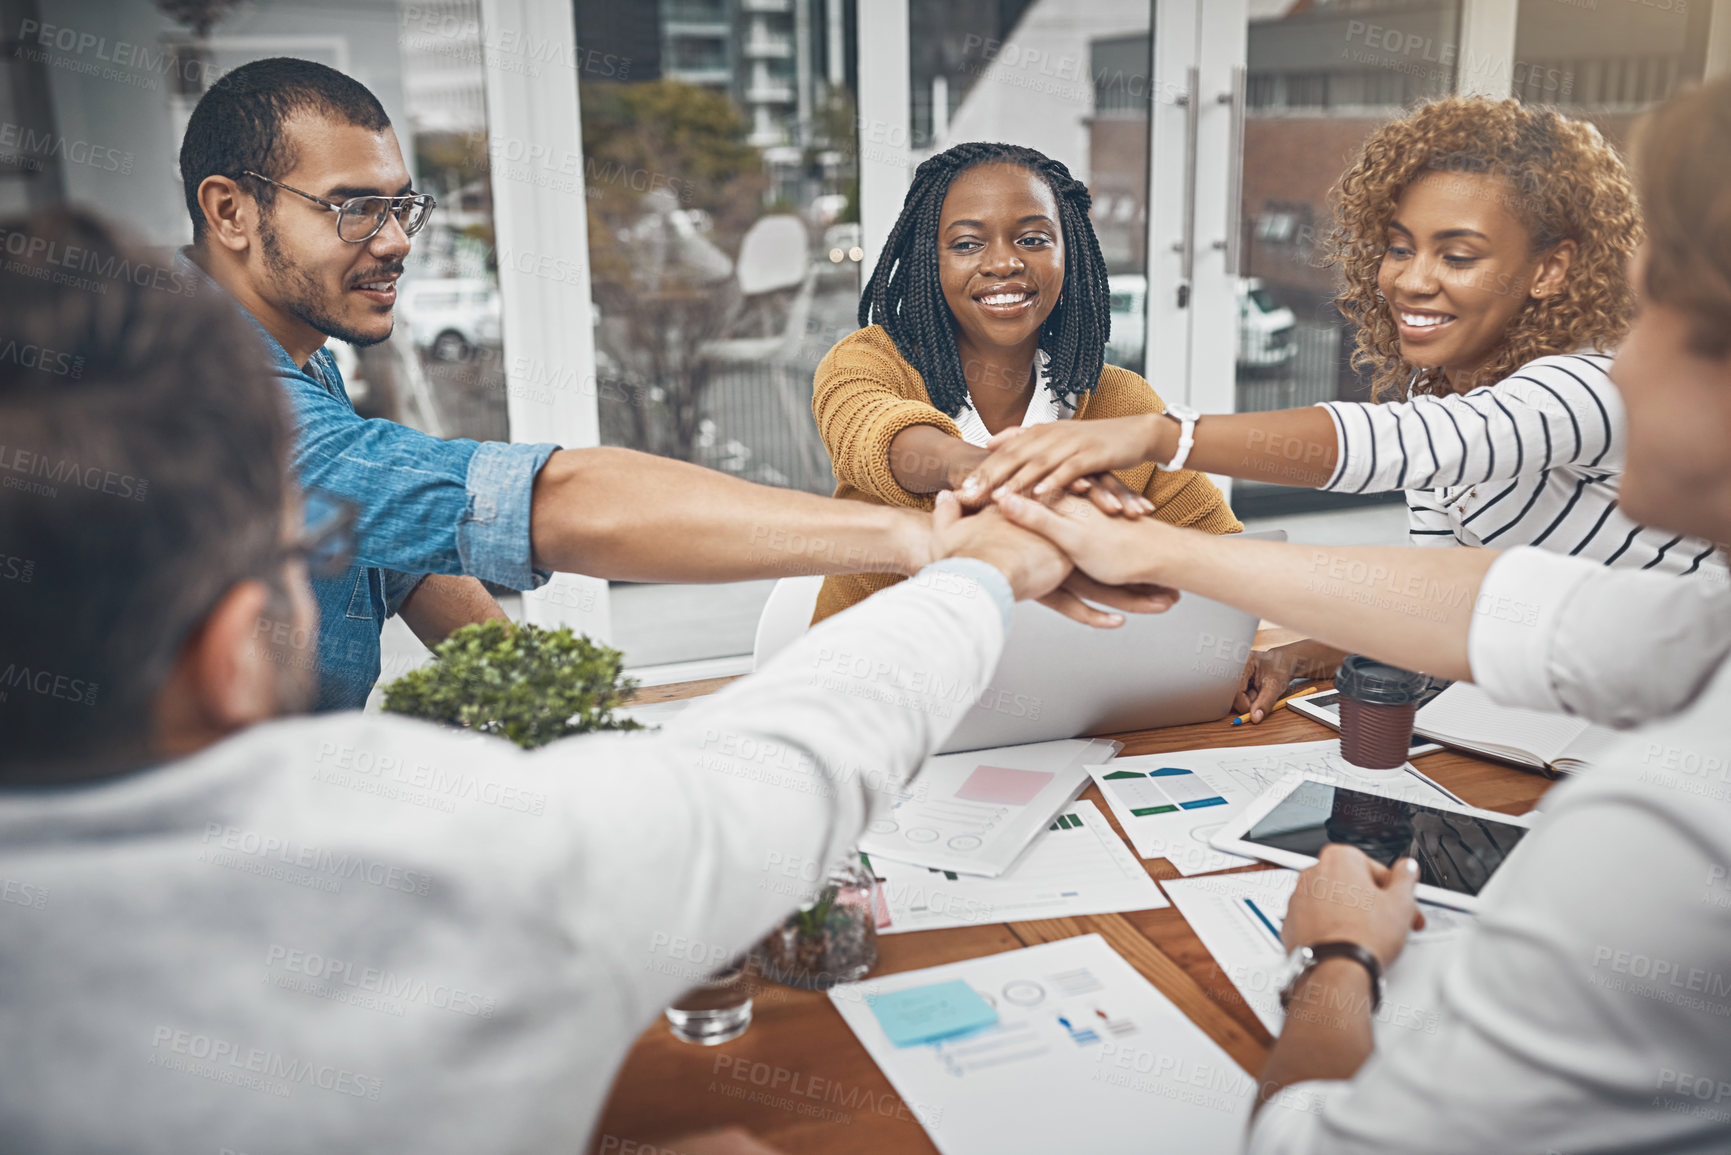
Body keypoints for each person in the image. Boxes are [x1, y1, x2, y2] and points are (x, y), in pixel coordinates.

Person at [0, 207, 1131, 1150]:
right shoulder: (462, 862)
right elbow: (795, 760)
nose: (390, 236)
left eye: (404, 204)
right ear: (232, 652)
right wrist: (969, 568)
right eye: (306, 556)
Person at [996, 76, 1731, 1153]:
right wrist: (1261, 619)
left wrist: (1334, 957)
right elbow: (1481, 598)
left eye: (1656, 309)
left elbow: (1426, 464)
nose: (1632, 354)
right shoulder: (1694, 626)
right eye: (1398, 245)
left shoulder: (1574, 390)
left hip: (1544, 772)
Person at [176, 60, 1137, 711]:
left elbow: (406, 545)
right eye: (351, 209)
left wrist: (553, 711)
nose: (393, 241)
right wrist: (924, 536)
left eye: (398, 206)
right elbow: (559, 503)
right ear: (230, 211)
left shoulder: (297, 353)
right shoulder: (197, 392)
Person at [960, 97, 1727, 719]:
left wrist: (1165, 435)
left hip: (1658, 733)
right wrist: (1299, 655)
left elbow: (1416, 442)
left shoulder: (1582, 388)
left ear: (1551, 268)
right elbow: (1434, 604)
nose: (1412, 281)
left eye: (1456, 256)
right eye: (1399, 248)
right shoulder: (1444, 396)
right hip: (1543, 725)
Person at [807, 141, 1243, 623]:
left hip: (1077, 688)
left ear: (1068, 252)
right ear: (929, 261)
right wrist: (992, 473)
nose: (1004, 264)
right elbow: (871, 433)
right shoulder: (872, 360)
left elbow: (1216, 548)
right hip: (875, 681)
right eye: (967, 244)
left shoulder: (1122, 401)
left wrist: (1258, 649)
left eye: (1033, 239)